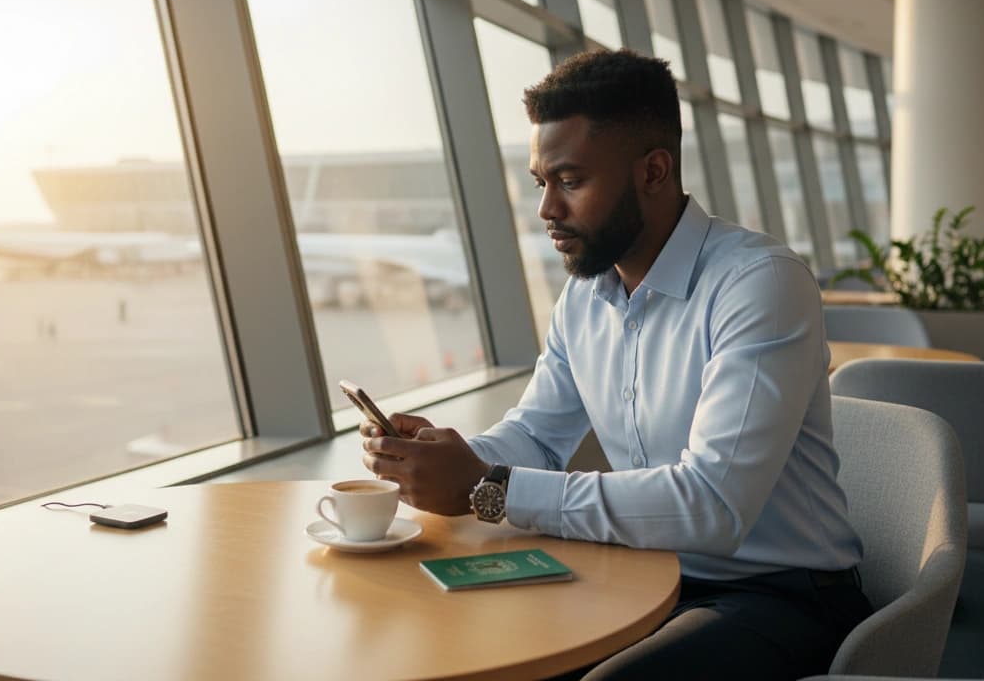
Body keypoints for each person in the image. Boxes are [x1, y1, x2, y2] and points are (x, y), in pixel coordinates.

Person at [361, 49, 871, 680]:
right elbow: (538, 437)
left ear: (654, 171)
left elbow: (712, 505)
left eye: (570, 181)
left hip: (780, 592)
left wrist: (487, 487)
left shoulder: (759, 283)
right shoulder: (586, 294)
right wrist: (446, 458)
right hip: (639, 573)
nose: (547, 209)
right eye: (541, 183)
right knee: (464, 645)